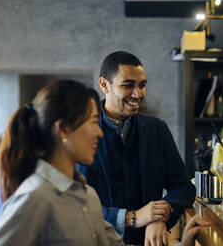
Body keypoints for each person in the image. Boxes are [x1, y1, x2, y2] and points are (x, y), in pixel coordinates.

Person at [0, 79, 208, 246]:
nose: (99, 132)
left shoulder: (86, 195)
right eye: (92, 122)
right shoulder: (35, 198)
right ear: (64, 130)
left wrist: (184, 244)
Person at [77, 51, 196, 245]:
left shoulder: (157, 129)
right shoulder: (82, 132)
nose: (137, 94)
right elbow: (75, 205)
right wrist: (132, 217)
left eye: (142, 85)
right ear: (104, 85)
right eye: (128, 85)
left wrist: (158, 217)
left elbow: (183, 187)